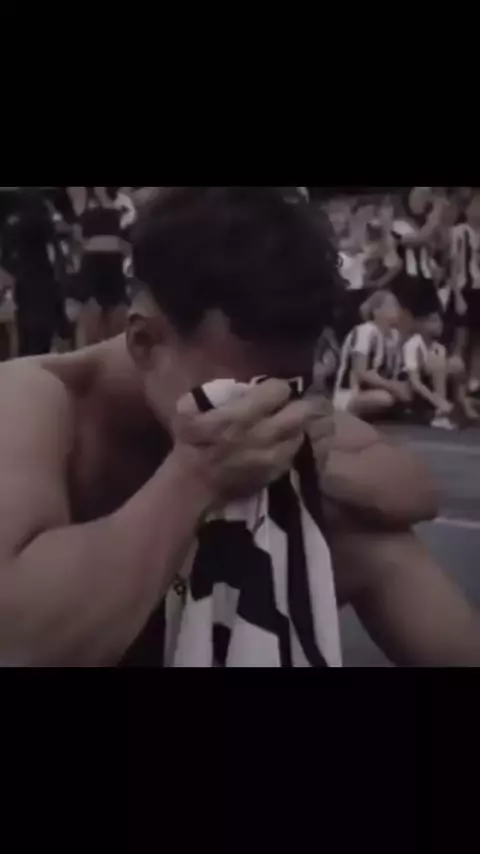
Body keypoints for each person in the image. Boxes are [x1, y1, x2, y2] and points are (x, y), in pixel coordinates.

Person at [1, 187, 480, 667]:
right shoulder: (33, 399)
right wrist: (194, 475)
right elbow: (18, 636)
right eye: (238, 394)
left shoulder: (261, 381)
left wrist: (310, 458)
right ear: (145, 341)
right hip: (88, 636)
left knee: (374, 543)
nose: (258, 410)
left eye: (283, 387)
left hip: (188, 617)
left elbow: (416, 495)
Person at [0, 190, 63, 357]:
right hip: (38, 278)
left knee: (29, 331)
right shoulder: (40, 220)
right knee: (38, 331)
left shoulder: (16, 224)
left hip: (27, 279)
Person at [399, 301, 477, 428]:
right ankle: (440, 413)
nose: (439, 325)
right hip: (411, 382)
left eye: (440, 321)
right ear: (422, 324)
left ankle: (463, 404)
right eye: (434, 321)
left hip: (430, 382)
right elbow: (415, 382)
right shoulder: (413, 345)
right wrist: (439, 402)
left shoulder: (439, 348)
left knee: (456, 365)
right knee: (437, 363)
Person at [68, 186, 130, 348]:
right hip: (93, 265)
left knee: (118, 329)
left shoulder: (118, 195)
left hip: (114, 264)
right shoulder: (81, 194)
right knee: (92, 329)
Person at [333, 289, 407, 418]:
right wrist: (393, 386)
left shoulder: (395, 336)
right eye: (391, 305)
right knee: (385, 398)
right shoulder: (366, 331)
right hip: (351, 392)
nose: (397, 309)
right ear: (376, 311)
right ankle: (349, 411)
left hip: (379, 389)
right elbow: (360, 371)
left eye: (397, 305)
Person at [449, 192, 480, 396]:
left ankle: (474, 382)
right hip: (463, 290)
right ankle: (457, 389)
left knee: (478, 339)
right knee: (461, 340)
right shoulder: (459, 232)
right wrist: (458, 295)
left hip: (478, 289)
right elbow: (453, 266)